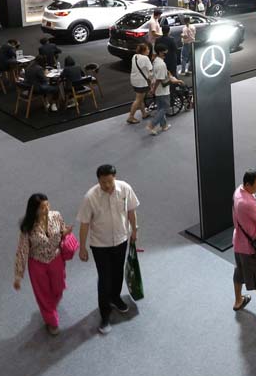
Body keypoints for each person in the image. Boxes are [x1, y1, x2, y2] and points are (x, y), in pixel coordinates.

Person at [76, 164, 140, 334]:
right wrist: (82, 247)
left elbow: (131, 211)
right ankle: (105, 315)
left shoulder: (124, 188)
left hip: (121, 240)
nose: (107, 185)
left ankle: (115, 298)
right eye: (103, 182)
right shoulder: (90, 197)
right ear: (98, 180)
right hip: (100, 245)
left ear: (115, 178)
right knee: (105, 279)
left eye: (110, 182)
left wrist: (134, 230)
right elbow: (84, 224)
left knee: (118, 273)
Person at [13, 193, 73, 336]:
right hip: (37, 263)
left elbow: (62, 231)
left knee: (58, 288)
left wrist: (65, 233)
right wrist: (18, 276)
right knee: (43, 294)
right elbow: (22, 251)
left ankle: (51, 307)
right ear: (34, 210)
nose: (47, 209)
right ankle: (51, 320)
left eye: (47, 205)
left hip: (56, 259)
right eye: (42, 207)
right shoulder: (28, 228)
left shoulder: (56, 216)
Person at [232, 169, 256, 316]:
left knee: (239, 271)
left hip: (238, 242)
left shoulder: (239, 192)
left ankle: (238, 300)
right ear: (248, 184)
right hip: (250, 249)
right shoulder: (247, 203)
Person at [126, 43, 153, 125]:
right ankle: (131, 117)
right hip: (142, 82)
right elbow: (150, 71)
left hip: (134, 80)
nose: (149, 50)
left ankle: (144, 113)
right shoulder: (145, 58)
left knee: (140, 98)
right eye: (147, 49)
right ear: (143, 50)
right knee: (138, 99)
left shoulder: (135, 56)